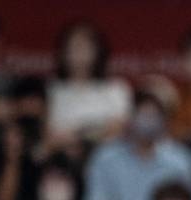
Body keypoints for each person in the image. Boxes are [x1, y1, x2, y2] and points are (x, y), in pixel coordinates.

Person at [84, 90, 191, 200]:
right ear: (129, 118)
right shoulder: (105, 157)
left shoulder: (182, 159)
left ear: (164, 120)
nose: (148, 122)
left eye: (153, 116)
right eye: (142, 115)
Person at [46, 21, 131, 150]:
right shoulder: (52, 90)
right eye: (73, 46)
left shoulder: (115, 88)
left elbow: (118, 128)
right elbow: (50, 137)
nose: (79, 52)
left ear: (98, 50)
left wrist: (76, 134)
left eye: (85, 46)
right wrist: (98, 129)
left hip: (108, 158)